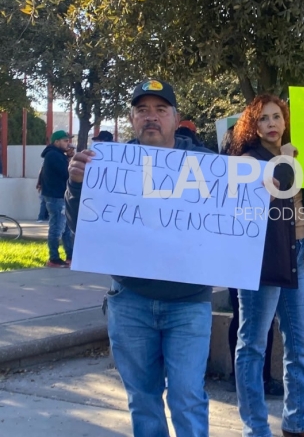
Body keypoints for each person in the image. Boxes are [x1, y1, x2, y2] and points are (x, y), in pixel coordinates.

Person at [66, 79, 215, 436]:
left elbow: (233, 223)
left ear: (176, 118)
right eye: (142, 110)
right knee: (142, 400)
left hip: (188, 304)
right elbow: (82, 230)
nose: (151, 117)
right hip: (130, 301)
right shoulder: (105, 165)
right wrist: (75, 186)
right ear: (132, 118)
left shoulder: (208, 164)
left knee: (187, 397)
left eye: (161, 110)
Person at [231, 94, 304, 437]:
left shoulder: (296, 154)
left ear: (285, 121)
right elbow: (253, 206)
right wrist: (282, 166)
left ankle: (297, 422)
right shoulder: (248, 160)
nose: (271, 124)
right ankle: (255, 429)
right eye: (263, 119)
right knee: (253, 345)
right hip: (263, 260)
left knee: (300, 343)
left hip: (297, 255)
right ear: (253, 127)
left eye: (276, 117)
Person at [41, 130, 74, 268]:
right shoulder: (53, 155)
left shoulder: (57, 155)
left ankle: (70, 256)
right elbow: (67, 173)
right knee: (57, 228)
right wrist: (70, 160)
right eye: (65, 141)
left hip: (60, 196)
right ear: (56, 142)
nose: (68, 143)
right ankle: (54, 258)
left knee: (66, 228)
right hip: (56, 197)